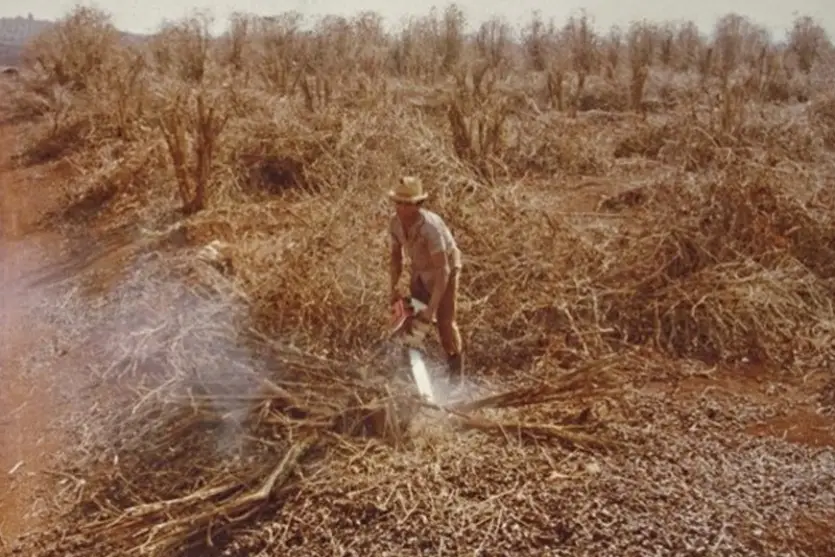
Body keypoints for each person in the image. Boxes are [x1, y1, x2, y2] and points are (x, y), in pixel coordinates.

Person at [388, 176, 465, 383]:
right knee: (412, 318)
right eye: (398, 203)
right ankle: (411, 375)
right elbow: (396, 258)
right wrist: (393, 288)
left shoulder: (431, 228)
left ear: (417, 204)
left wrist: (431, 309)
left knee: (445, 324)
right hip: (420, 270)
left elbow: (443, 270)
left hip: (444, 270)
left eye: (407, 204)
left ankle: (456, 376)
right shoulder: (395, 224)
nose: (401, 208)